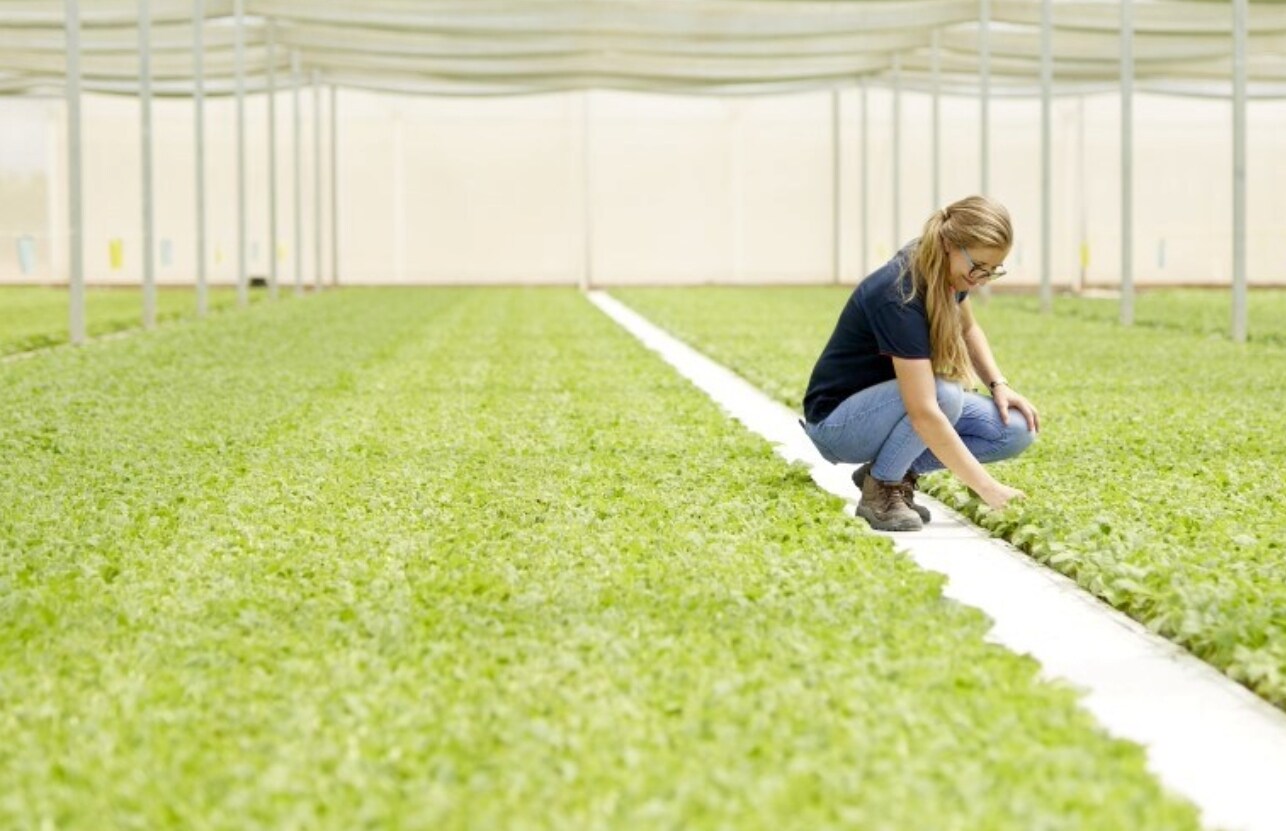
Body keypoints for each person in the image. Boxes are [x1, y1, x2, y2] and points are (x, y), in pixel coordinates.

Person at [800, 195, 1039, 532]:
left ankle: (889, 471)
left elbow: (968, 329)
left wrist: (999, 384)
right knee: (944, 396)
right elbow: (923, 411)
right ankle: (881, 488)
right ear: (947, 244)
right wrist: (990, 489)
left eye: (992, 270)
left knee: (1015, 429)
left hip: (888, 409)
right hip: (839, 425)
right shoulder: (900, 293)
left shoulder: (949, 273)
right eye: (978, 267)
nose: (981, 278)